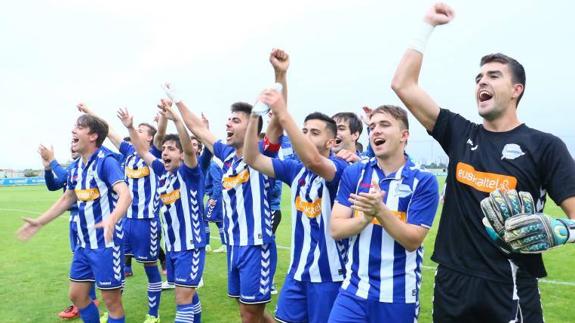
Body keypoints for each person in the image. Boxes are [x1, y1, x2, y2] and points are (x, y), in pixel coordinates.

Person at [391, 3, 575, 322]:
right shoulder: (459, 133)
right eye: (478, 77)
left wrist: (562, 230)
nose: (481, 82)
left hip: (511, 282)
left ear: (517, 90)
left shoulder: (545, 146)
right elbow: (402, 85)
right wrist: (426, 25)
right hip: (452, 280)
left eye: (493, 75)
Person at [244, 88, 349, 323]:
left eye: (314, 132)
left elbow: (313, 159)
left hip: (328, 277)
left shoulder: (339, 170)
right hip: (297, 272)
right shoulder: (295, 170)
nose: (306, 136)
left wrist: (282, 113)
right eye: (303, 131)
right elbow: (251, 158)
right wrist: (254, 117)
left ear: (331, 142)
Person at [329, 105, 439, 323]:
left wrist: (380, 211)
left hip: (397, 295)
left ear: (404, 135)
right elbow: (335, 229)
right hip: (353, 291)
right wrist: (364, 219)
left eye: (384, 125)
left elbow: (412, 240)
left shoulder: (423, 180)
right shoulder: (355, 172)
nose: (375, 131)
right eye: (372, 127)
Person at [18, 113, 132, 323]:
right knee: (77, 296)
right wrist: (40, 221)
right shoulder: (76, 168)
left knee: (112, 302)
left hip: (106, 244)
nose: (73, 131)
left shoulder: (106, 163)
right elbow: (67, 199)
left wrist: (113, 218)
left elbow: (125, 193)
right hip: (83, 245)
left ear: (93, 136)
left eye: (79, 127)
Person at [117, 102, 205, 323]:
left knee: (182, 299)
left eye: (171, 149)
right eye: (163, 149)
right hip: (173, 248)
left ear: (182, 155)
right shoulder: (161, 173)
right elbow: (142, 151)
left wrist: (176, 119)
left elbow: (188, 148)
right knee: (188, 295)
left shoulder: (190, 174)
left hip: (191, 246)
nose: (164, 152)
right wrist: (130, 128)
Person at [77, 104, 164, 323]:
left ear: (150, 139)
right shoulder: (127, 153)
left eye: (142, 131)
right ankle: (114, 309)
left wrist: (162, 117)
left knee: (150, 266)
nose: (136, 133)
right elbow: (107, 130)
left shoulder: (154, 155)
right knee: (119, 270)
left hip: (147, 222)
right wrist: (89, 110)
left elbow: (161, 134)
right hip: (125, 221)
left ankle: (153, 314)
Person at [39, 144, 99, 320]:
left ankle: (89, 300)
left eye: (75, 142)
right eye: (70, 144)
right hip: (73, 219)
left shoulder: (84, 167)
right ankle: (86, 299)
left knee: (87, 259)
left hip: (86, 218)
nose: (73, 147)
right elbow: (53, 185)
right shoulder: (74, 167)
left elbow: (66, 176)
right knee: (80, 258)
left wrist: (53, 161)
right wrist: (48, 169)